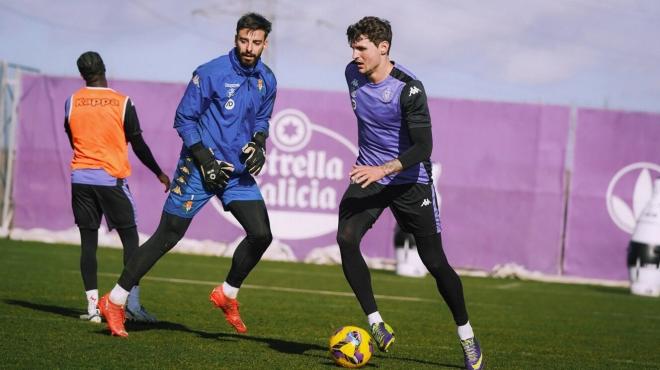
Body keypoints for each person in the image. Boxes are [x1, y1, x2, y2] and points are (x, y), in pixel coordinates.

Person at [97, 13, 277, 338]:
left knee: (261, 234)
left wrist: (260, 142)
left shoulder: (268, 79)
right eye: (243, 40)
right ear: (235, 38)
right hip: (198, 168)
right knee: (167, 236)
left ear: (265, 43)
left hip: (235, 173)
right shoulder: (211, 72)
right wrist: (205, 158)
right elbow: (183, 119)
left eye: (256, 42)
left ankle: (227, 294)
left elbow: (262, 119)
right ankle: (115, 299)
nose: (249, 48)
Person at [337, 17, 485, 369]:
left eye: (362, 48)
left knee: (434, 262)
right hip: (370, 176)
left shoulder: (409, 88)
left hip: (409, 180)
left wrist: (384, 169)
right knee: (346, 238)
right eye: (353, 48)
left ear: (383, 47)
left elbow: (423, 147)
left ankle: (467, 337)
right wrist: (373, 170)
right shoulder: (351, 74)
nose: (355, 55)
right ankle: (376, 323)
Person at [65, 51, 171, 324]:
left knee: (88, 244)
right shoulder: (122, 102)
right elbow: (138, 144)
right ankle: (131, 305)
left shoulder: (71, 101)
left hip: (80, 179)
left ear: (82, 74)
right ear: (103, 69)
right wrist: (158, 171)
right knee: (131, 242)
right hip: (110, 180)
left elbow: (72, 139)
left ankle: (91, 309)